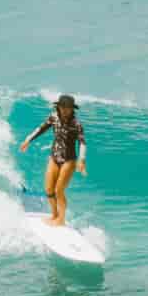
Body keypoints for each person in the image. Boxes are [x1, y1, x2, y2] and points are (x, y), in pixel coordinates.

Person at [19, 94, 87, 226]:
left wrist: (82, 159)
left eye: (68, 108)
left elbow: (82, 143)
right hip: (54, 157)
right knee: (49, 190)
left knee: (59, 190)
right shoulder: (54, 117)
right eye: (63, 107)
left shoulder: (76, 124)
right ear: (59, 106)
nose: (65, 110)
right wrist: (28, 139)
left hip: (69, 160)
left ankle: (61, 219)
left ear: (72, 109)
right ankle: (55, 215)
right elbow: (41, 128)